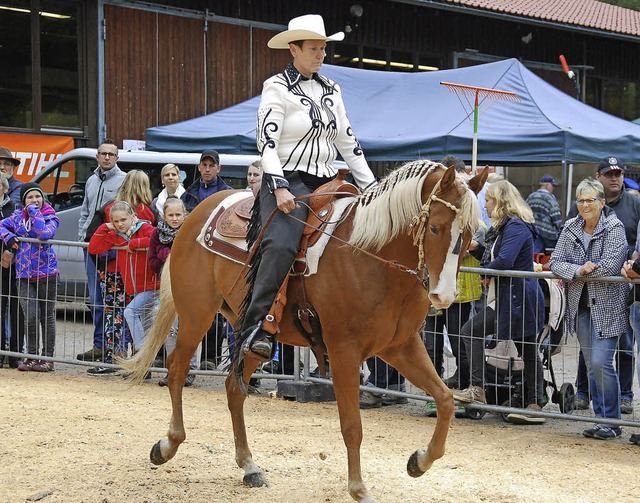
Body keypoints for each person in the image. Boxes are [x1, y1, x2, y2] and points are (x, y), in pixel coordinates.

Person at [239, 14, 376, 361]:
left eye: (323, 48)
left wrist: (373, 188)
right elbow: (266, 142)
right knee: (282, 245)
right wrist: (279, 186)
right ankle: (258, 325)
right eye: (314, 48)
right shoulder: (276, 87)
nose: (321, 54)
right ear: (294, 49)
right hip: (287, 181)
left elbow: (348, 140)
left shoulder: (332, 89)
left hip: (329, 181)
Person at [455, 180, 546, 425]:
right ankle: (481, 389)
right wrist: (477, 250)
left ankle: (534, 403)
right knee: (475, 332)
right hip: (508, 297)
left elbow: (505, 260)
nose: (485, 204)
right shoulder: (505, 227)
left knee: (526, 349)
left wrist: (483, 272)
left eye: (488, 200)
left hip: (518, 298)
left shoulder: (515, 227)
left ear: (501, 202)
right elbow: (496, 256)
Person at [550, 178, 628, 439]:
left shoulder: (614, 228)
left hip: (608, 306)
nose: (584, 205)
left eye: (590, 200)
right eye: (580, 200)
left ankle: (612, 421)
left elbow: (610, 265)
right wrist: (579, 269)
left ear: (602, 203)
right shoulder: (571, 226)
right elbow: (555, 262)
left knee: (600, 362)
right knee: (591, 364)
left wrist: (577, 271)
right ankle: (602, 419)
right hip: (580, 306)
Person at [567, 156, 640, 415]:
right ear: (598, 177)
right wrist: (577, 268)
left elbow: (626, 251)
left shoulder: (634, 205)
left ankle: (625, 397)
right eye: (609, 174)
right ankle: (586, 394)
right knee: (591, 355)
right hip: (588, 292)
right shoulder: (578, 211)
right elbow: (562, 251)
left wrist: (631, 262)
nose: (615, 178)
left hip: (624, 286)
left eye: (618, 173)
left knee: (623, 347)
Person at [83, 170, 156, 375]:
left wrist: (131, 243)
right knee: (133, 317)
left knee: (117, 316)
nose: (120, 223)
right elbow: (94, 245)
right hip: (132, 273)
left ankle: (118, 360)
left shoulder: (113, 208)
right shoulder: (146, 211)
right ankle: (135, 362)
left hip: (121, 274)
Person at [0, 182, 59, 372]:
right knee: (30, 315)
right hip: (23, 274)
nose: (34, 200)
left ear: (43, 198)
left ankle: (47, 358)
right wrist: (8, 237)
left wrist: (34, 213)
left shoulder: (51, 216)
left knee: (46, 316)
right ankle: (32, 356)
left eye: (37, 197)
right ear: (23, 200)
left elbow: (43, 234)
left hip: (46, 273)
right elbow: (1, 225)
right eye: (30, 198)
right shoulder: (17, 217)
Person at [76, 139, 126, 363]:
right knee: (95, 298)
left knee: (113, 300)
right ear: (97, 156)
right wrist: (81, 238)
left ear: (117, 158)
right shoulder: (91, 180)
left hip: (110, 250)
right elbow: (85, 212)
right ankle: (98, 345)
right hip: (90, 247)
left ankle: (114, 348)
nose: (106, 157)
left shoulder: (123, 181)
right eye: (103, 153)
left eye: (110, 154)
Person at [149, 196, 198, 387]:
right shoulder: (156, 234)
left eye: (178, 214)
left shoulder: (191, 232)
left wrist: (173, 256)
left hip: (190, 286)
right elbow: (152, 262)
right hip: (167, 287)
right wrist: (166, 255)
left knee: (190, 327)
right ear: (164, 215)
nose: (175, 218)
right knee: (170, 328)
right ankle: (173, 368)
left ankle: (190, 369)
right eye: (171, 215)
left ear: (184, 214)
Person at [0, 172, 25, 369]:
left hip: (13, 264)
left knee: (17, 308)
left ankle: (15, 353)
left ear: (5, 188)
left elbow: (20, 234)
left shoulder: (15, 209)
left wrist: (9, 251)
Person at [526, 175, 562, 253]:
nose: (553, 188)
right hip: (548, 235)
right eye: (553, 186)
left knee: (534, 253)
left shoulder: (530, 197)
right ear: (547, 185)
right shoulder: (550, 198)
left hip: (532, 232)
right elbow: (556, 218)